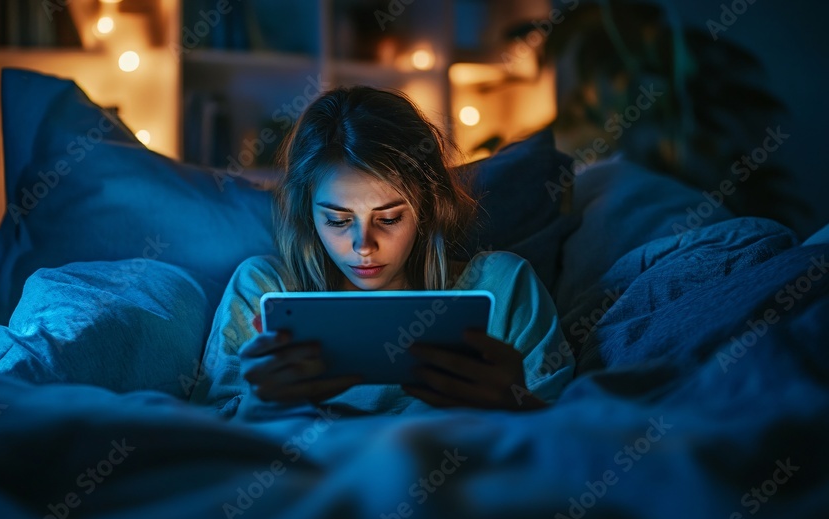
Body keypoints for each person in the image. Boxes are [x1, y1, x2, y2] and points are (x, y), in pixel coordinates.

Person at [189, 86, 574, 418]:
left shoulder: (501, 288)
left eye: (388, 219)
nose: (363, 245)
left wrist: (516, 405)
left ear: (427, 208)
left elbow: (577, 442)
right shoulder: (264, 292)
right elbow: (207, 444)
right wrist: (261, 405)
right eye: (338, 221)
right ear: (308, 215)